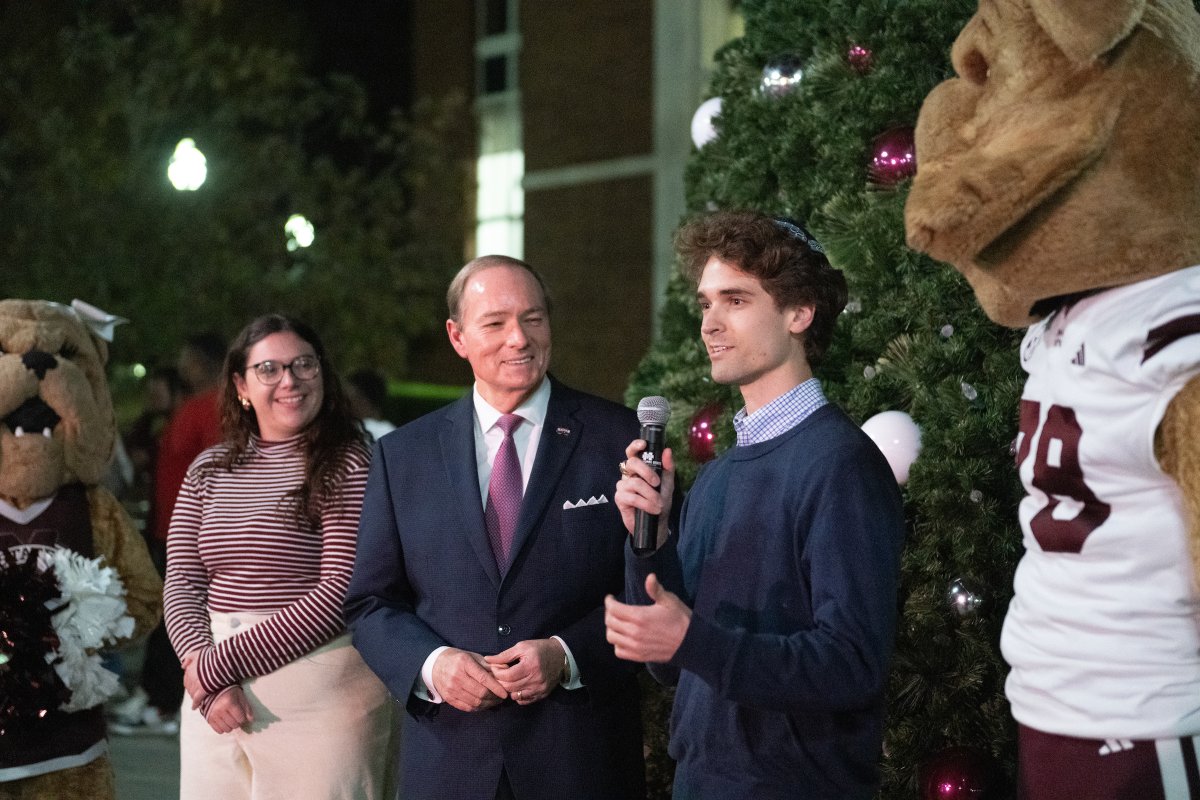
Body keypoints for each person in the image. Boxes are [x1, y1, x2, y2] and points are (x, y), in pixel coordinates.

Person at [606, 211, 906, 799]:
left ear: (799, 313)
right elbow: (671, 665)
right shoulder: (716, 479)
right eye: (705, 304)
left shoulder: (840, 464)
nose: (710, 325)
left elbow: (850, 664)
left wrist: (695, 641)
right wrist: (654, 540)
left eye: (736, 301)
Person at [345, 255, 646, 800]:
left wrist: (567, 653)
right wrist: (432, 666)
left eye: (534, 319)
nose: (519, 339)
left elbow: (652, 590)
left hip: (580, 758)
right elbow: (371, 604)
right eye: (496, 323)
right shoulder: (402, 456)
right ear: (457, 337)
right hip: (450, 763)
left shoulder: (618, 438)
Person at [163, 314, 393, 799]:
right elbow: (182, 580)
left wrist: (213, 668)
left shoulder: (351, 460)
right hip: (213, 696)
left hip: (318, 692)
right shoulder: (209, 468)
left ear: (323, 378)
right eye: (269, 369)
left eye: (303, 365)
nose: (289, 380)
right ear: (241, 385)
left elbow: (340, 592)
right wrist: (201, 666)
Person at [344, 367, 396, 442]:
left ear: (364, 401)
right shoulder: (391, 431)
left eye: (348, 400)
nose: (344, 405)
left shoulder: (357, 431)